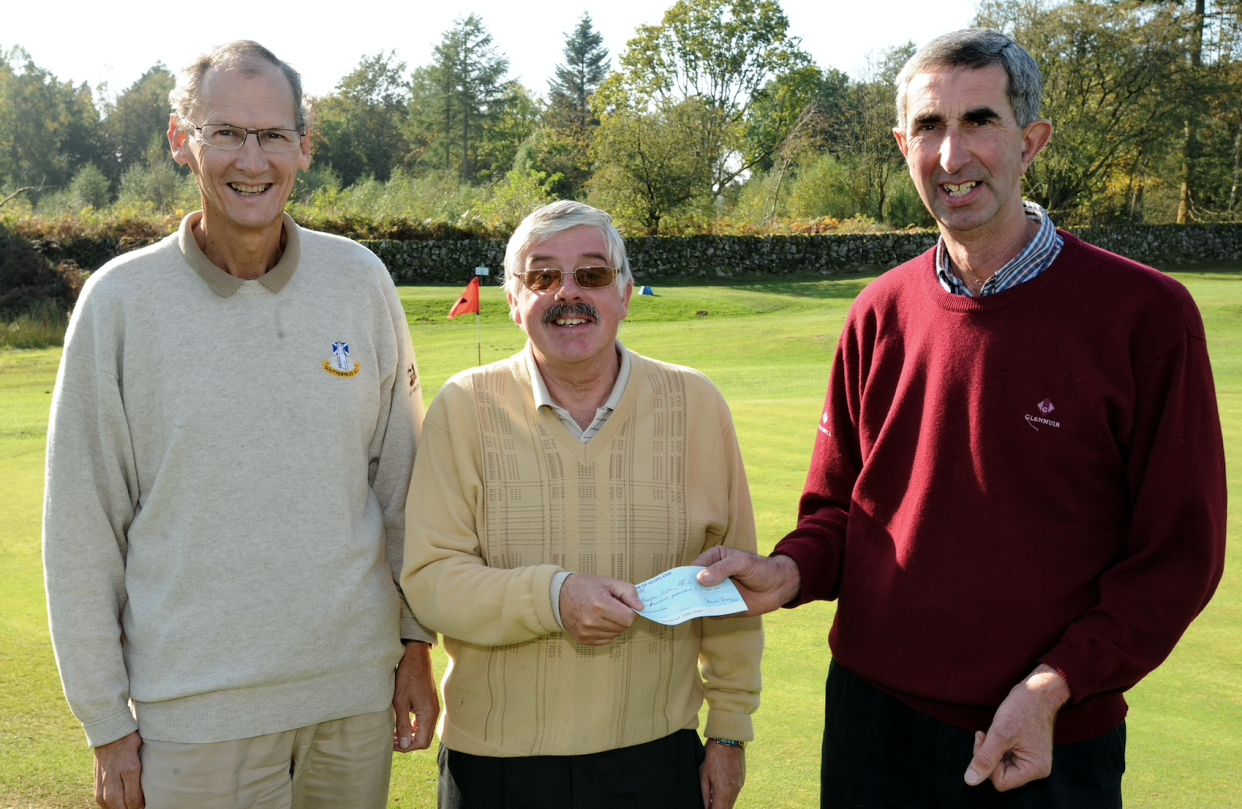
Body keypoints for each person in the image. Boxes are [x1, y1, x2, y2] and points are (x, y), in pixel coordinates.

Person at [694, 28, 1227, 807]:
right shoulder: (880, 310)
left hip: (1042, 738)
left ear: (1031, 140)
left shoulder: (1145, 316)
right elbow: (842, 513)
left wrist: (1053, 687)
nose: (952, 156)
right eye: (929, 128)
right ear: (901, 144)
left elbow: (1177, 557)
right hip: (870, 728)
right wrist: (789, 570)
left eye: (980, 121)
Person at [43, 41, 438, 809]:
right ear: (180, 139)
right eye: (225, 132)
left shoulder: (360, 280)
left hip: (350, 702)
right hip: (194, 720)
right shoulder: (119, 301)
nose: (250, 159)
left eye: (272, 135)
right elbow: (81, 527)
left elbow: (404, 483)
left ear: (304, 148)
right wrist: (103, 720)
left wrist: (417, 643)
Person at [400, 200, 763, 809]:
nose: (569, 294)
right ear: (514, 301)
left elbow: (729, 584)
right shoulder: (463, 407)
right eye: (543, 277)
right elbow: (432, 581)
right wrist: (554, 597)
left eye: (591, 275)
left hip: (658, 758)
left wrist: (729, 731)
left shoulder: (696, 404)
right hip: (494, 767)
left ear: (624, 292)